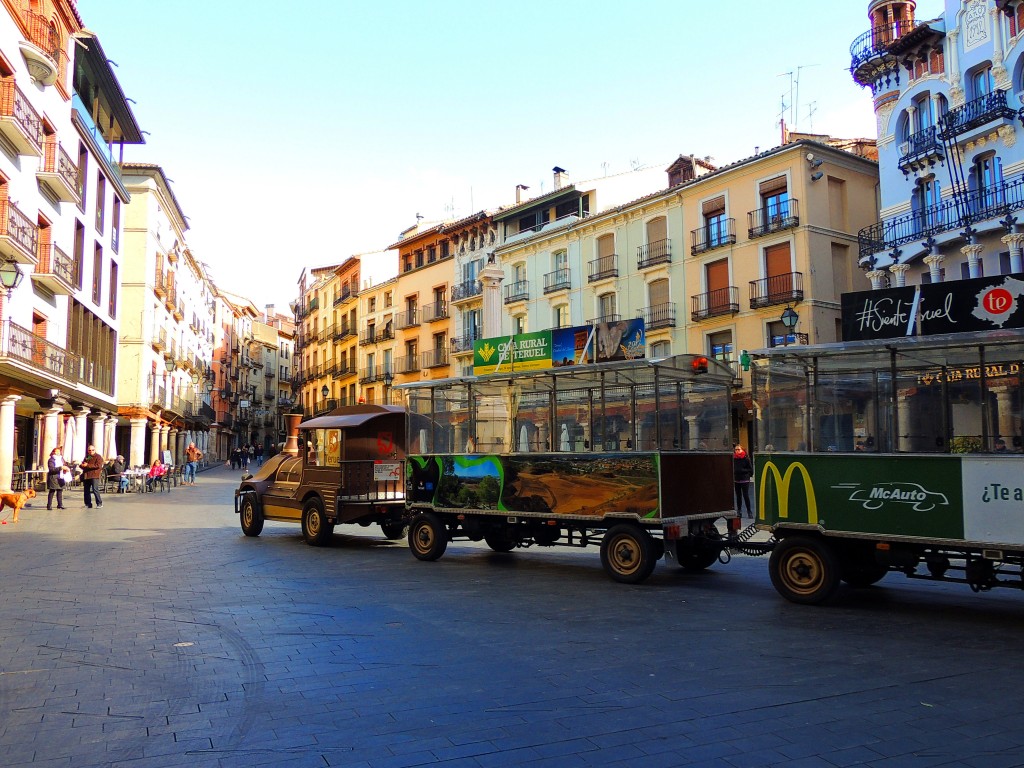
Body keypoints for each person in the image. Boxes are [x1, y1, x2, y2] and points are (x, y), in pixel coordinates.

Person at [80, 444, 104, 509]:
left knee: (95, 490)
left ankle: (99, 503)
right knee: (86, 490)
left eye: (92, 450)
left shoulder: (98, 457)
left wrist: (87, 465)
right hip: (87, 475)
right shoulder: (87, 457)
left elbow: (98, 466)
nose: (91, 451)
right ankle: (88, 504)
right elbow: (83, 464)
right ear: (88, 451)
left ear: (95, 450)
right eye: (89, 450)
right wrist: (81, 465)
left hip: (94, 475)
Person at [733, 444, 754, 519]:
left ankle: (749, 511)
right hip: (736, 479)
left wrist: (744, 472)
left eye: (738, 449)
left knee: (746, 495)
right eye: (736, 450)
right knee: (738, 496)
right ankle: (739, 511)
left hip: (744, 479)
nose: (737, 451)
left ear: (742, 450)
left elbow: (751, 470)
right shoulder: (734, 458)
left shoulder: (746, 458)